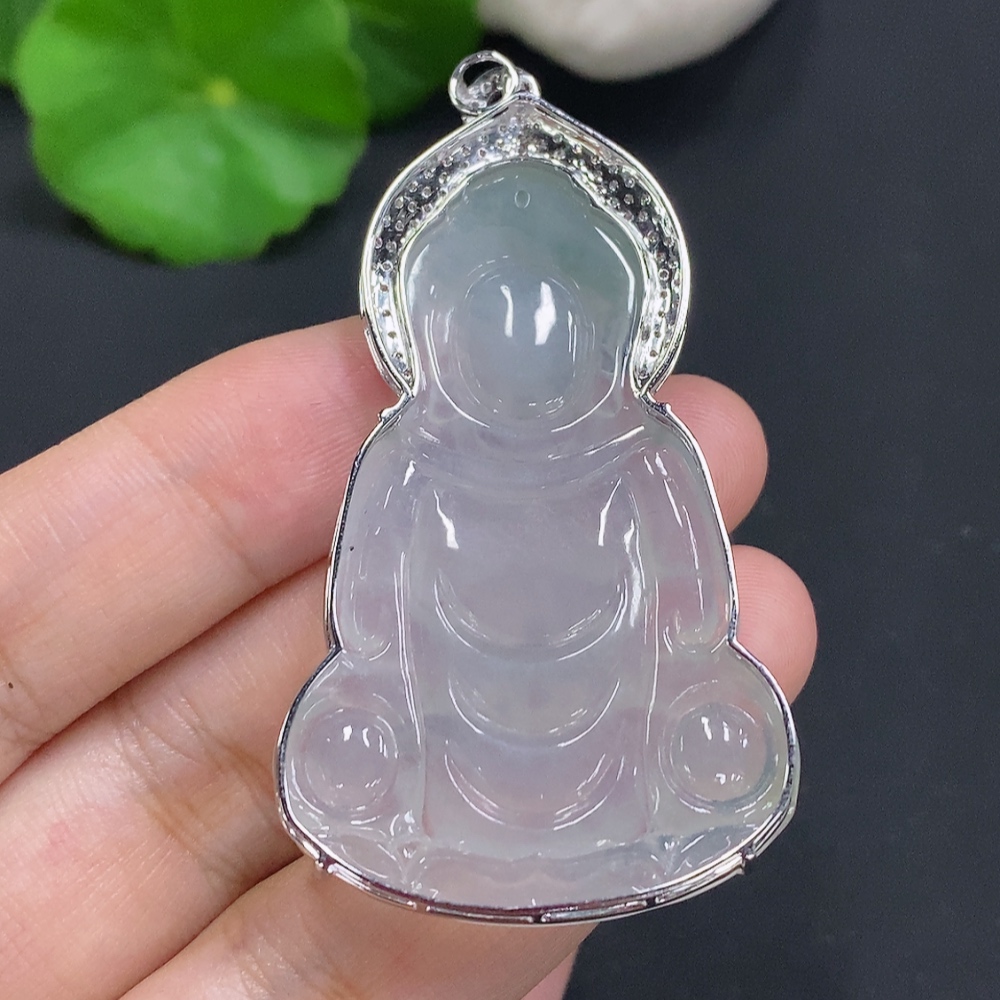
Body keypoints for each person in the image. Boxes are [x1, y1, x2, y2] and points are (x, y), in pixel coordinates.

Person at [0, 319, 816, 1000]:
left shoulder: (643, 451)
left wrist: (691, 663)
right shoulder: (413, 452)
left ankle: (630, 828)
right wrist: (371, 679)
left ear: (614, 330)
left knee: (723, 736)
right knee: (344, 750)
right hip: (449, 730)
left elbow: (694, 606)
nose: (523, 357)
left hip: (613, 727)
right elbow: (368, 611)